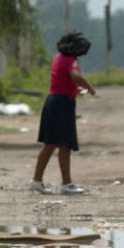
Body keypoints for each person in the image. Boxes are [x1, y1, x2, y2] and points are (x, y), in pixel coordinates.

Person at [28, 31, 96, 195]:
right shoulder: (72, 61)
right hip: (62, 104)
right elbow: (75, 76)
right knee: (64, 144)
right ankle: (66, 184)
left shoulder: (58, 58)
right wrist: (89, 88)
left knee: (51, 144)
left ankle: (37, 181)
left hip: (53, 101)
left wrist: (76, 89)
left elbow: (65, 81)